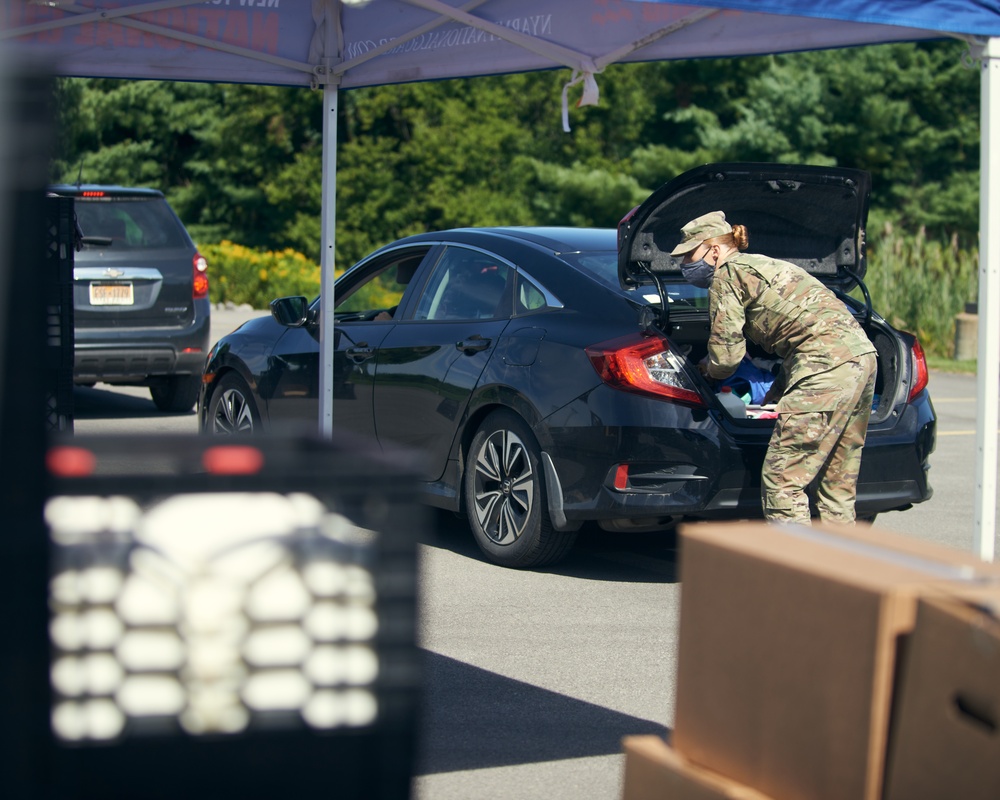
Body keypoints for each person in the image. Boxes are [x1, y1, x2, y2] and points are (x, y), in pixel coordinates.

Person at [671, 210, 877, 525]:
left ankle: (795, 570)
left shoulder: (728, 274)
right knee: (837, 484)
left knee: (783, 483)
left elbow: (726, 357)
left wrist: (706, 371)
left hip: (824, 369)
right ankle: (842, 570)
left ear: (714, 250)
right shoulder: (766, 264)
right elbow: (808, 331)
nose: (685, 265)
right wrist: (779, 389)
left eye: (689, 256)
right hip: (861, 359)